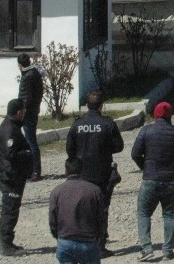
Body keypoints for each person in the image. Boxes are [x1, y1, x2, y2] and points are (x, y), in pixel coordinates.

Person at [131, 101, 174, 261]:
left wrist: (144, 166)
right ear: (170, 115)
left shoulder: (146, 131)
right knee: (170, 214)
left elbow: (135, 153)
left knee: (144, 213)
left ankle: (146, 248)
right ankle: (168, 251)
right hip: (172, 180)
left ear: (155, 115)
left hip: (150, 178)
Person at [66, 90, 124, 258]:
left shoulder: (77, 124)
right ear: (101, 106)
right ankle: (99, 246)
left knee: (83, 209)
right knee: (102, 209)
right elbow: (118, 146)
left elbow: (69, 150)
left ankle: (83, 243)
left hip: (82, 174)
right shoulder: (107, 123)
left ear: (86, 105)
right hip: (103, 173)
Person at [48, 157, 104, 264]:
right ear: (82, 170)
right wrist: (98, 237)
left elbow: (52, 219)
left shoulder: (56, 192)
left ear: (66, 172)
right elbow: (101, 218)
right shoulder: (94, 190)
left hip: (65, 242)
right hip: (88, 242)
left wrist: (59, 236)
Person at [0, 98, 33, 256]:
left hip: (14, 175)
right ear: (19, 112)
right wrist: (28, 154)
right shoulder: (9, 129)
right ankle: (5, 244)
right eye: (23, 110)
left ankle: (8, 241)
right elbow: (11, 154)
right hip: (11, 176)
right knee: (9, 210)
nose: (25, 113)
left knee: (12, 209)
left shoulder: (11, 125)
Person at [17, 52, 45, 181]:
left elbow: (25, 97)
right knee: (30, 141)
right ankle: (33, 170)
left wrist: (20, 109)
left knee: (30, 141)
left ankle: (35, 171)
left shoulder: (27, 76)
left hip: (28, 112)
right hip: (33, 110)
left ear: (20, 64)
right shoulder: (35, 73)